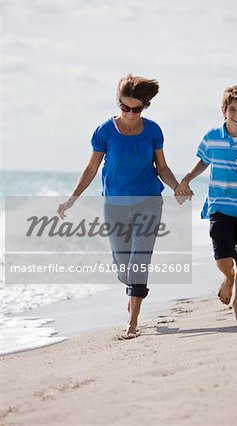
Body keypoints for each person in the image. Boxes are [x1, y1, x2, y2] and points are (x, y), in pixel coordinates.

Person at [57, 74, 180, 338]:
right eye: (125, 107)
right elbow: (91, 168)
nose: (131, 113)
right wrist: (72, 198)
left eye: (137, 109)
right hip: (114, 204)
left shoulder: (154, 130)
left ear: (145, 107)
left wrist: (177, 187)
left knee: (140, 258)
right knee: (123, 264)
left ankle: (133, 320)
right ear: (118, 103)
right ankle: (132, 288)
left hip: (148, 200)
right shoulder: (104, 131)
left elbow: (162, 167)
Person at [175, 85, 237, 320]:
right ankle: (228, 278)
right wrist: (187, 179)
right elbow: (203, 161)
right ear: (224, 111)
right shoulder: (212, 138)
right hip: (219, 206)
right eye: (232, 109)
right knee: (223, 259)